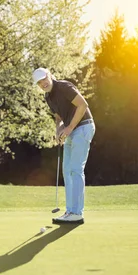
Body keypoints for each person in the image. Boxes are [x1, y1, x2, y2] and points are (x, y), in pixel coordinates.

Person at [32, 67, 95, 225]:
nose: (43, 83)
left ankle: (77, 213)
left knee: (75, 169)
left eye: (44, 79)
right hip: (71, 130)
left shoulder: (64, 87)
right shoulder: (48, 97)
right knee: (67, 170)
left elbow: (83, 105)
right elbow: (58, 117)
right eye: (39, 82)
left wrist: (69, 128)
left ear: (50, 75)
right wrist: (59, 130)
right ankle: (70, 211)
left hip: (83, 126)